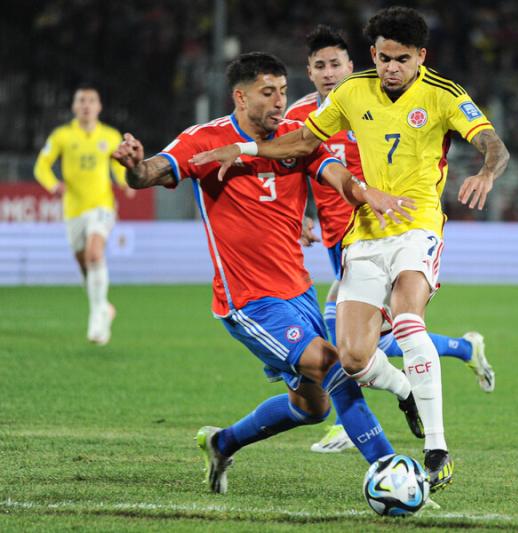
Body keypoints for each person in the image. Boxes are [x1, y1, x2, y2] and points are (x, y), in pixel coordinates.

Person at [191, 7, 510, 492]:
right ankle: (408, 391)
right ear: (372, 54)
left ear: (420, 56)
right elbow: (302, 142)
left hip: (417, 227)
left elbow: (494, 144)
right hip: (362, 237)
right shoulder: (352, 91)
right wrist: (247, 151)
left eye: (401, 59)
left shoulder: (445, 95)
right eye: (382, 57)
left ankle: (437, 451)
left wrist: (486, 171)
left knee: (405, 320)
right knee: (354, 359)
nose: (390, 67)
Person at [111, 52, 412, 494]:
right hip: (248, 300)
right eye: (267, 93)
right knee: (334, 367)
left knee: (313, 408)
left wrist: (364, 193)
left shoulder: (297, 138)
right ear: (240, 96)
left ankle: (222, 442)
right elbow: (152, 173)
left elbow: (337, 175)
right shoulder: (205, 141)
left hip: (298, 293)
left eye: (283, 92)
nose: (279, 102)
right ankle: (393, 472)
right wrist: (135, 166)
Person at [288, 24, 496, 455]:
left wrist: (486, 171)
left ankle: (389, 424)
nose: (329, 73)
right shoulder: (304, 115)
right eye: (319, 66)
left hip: (399, 227)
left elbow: (488, 142)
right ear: (309, 71)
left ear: (351, 65)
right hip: (344, 234)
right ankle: (450, 356)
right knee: (363, 344)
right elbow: (295, 164)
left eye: (335, 65)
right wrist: (298, 216)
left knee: (383, 328)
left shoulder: (385, 96)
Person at [34, 85, 134, 345]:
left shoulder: (110, 135)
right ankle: (104, 307)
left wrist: (126, 182)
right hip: (73, 210)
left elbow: (117, 165)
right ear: (74, 107)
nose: (86, 105)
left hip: (102, 205)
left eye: (91, 101)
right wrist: (53, 184)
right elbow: (41, 166)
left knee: (94, 253)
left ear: (99, 106)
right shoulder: (62, 136)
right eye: (81, 101)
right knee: (83, 263)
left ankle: (98, 315)